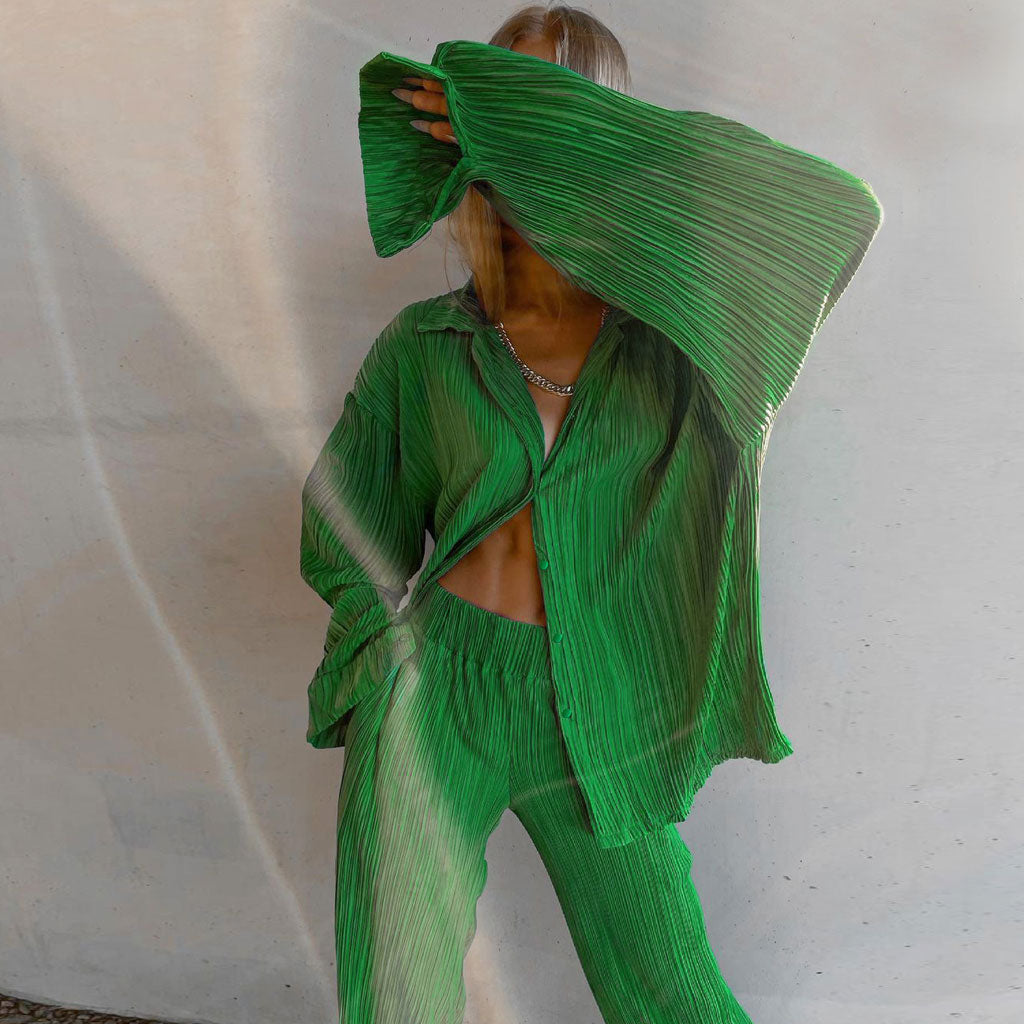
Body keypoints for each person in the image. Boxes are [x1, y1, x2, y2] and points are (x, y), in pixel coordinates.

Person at [299, 5, 883, 1023]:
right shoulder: (425, 345)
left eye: (551, 104)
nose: (517, 122)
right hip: (436, 686)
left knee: (671, 992)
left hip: (597, 697)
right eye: (501, 96)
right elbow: (347, 521)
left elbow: (836, 217)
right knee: (396, 993)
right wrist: (378, 657)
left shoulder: (688, 348)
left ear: (603, 127)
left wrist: (555, 138)